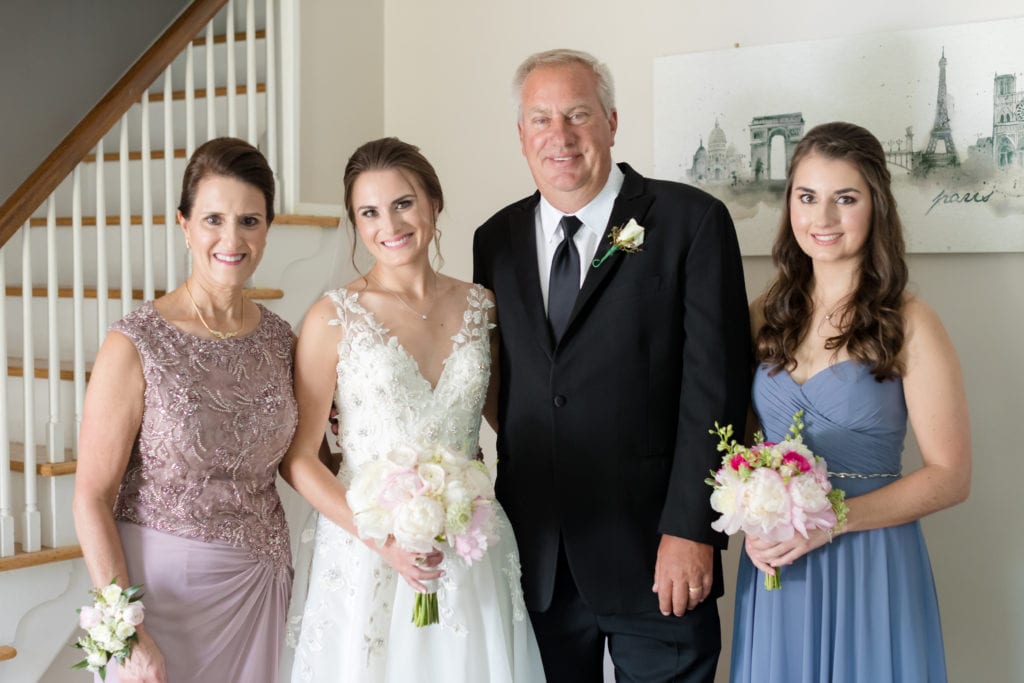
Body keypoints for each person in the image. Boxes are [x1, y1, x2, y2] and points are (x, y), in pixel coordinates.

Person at [472, 49, 752, 682]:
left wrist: (692, 530)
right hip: (535, 560)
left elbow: (715, 390)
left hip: (657, 553)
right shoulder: (496, 241)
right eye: (540, 119)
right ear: (521, 136)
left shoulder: (690, 222)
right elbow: (503, 383)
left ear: (612, 121)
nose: (560, 136)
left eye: (578, 114)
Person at [281, 137, 545, 682]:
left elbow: (512, 420)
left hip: (467, 540)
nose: (390, 225)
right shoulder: (333, 317)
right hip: (368, 549)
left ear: (433, 203)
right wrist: (384, 540)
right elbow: (300, 458)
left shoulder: (481, 305)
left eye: (403, 203)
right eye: (369, 212)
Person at [730, 121, 971, 682]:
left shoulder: (910, 322)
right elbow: (741, 446)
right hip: (780, 567)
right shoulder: (762, 315)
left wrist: (831, 521)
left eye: (846, 199)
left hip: (872, 562)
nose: (823, 219)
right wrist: (751, 520)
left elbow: (951, 476)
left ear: (876, 206)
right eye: (807, 197)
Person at [72, 138, 297, 681]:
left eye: (249, 220)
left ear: (267, 227)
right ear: (184, 224)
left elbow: (303, 458)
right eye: (213, 218)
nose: (231, 238)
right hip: (161, 600)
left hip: (258, 586)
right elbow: (91, 496)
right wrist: (125, 629)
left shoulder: (281, 341)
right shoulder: (136, 343)